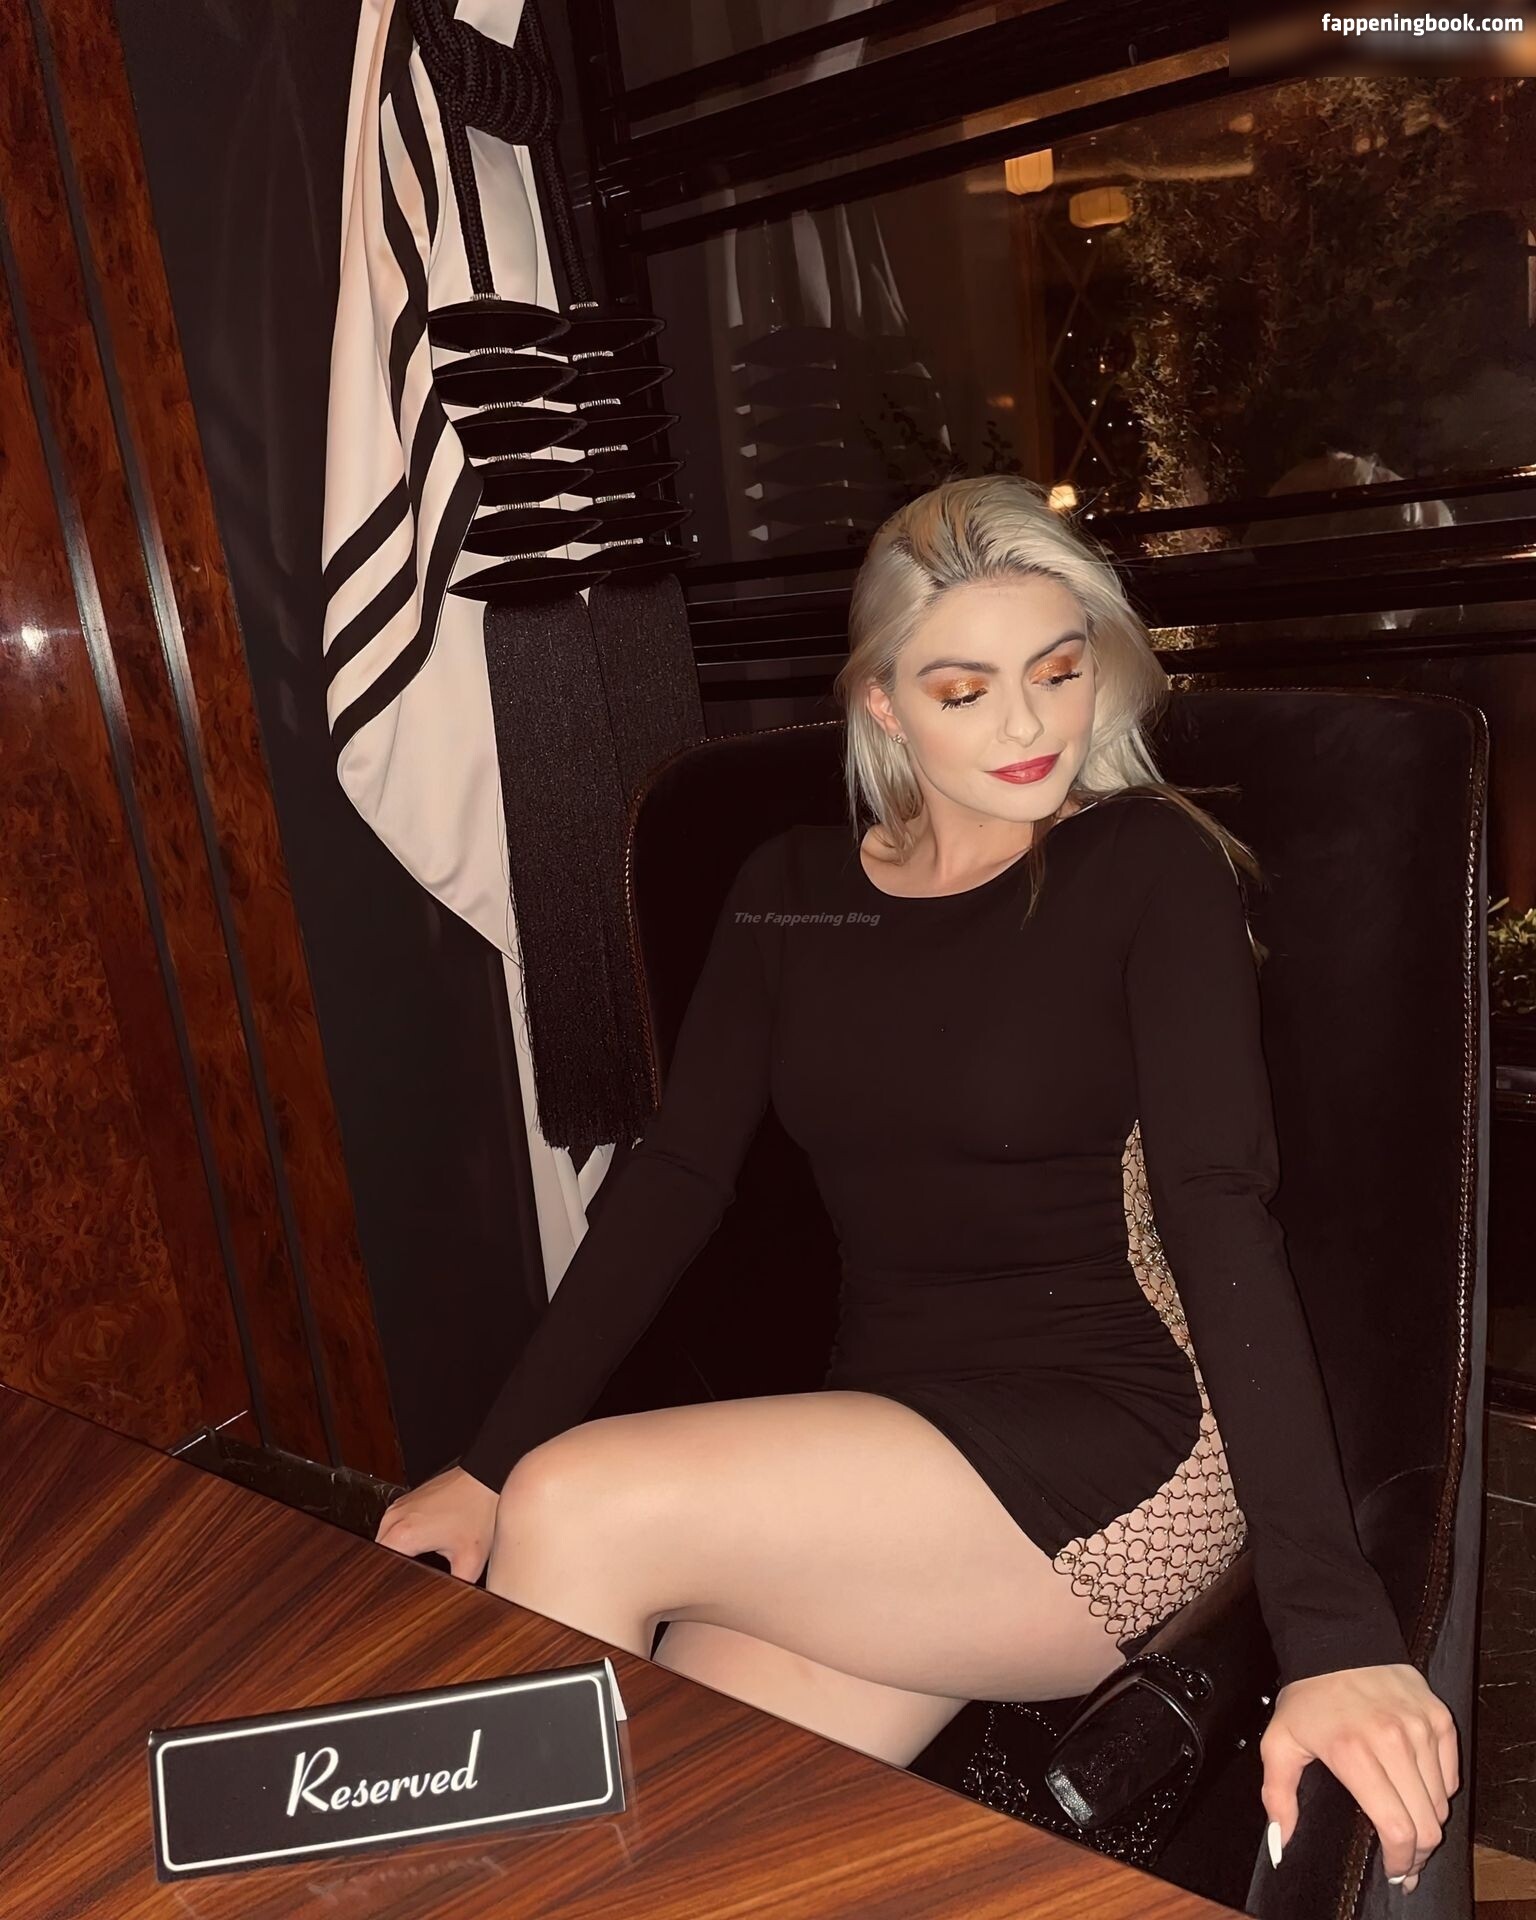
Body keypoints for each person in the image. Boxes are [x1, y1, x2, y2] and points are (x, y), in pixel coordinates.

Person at [376, 474, 1458, 1890]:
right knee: (677, 1826)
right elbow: (677, 1176)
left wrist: (1336, 1633)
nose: (1028, 728)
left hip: (1120, 1453)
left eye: (1058, 672)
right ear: (883, 705)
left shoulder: (1146, 865)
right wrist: (484, 1462)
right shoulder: (791, 888)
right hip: (895, 1440)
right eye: (965, 690)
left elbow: (1219, 1212)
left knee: (578, 1506)